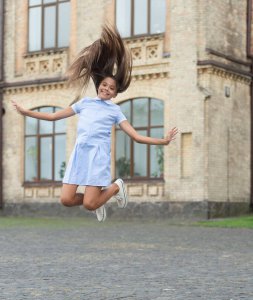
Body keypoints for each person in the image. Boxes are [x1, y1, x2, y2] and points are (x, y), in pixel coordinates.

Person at [12, 26, 178, 222]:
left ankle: (116, 187)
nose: (106, 89)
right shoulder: (84, 103)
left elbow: (136, 136)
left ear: (116, 93)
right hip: (79, 154)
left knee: (89, 204)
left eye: (111, 88)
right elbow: (54, 116)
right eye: (104, 85)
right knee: (66, 199)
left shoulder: (115, 110)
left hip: (97, 157)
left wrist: (163, 141)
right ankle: (99, 200)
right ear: (99, 84)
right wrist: (26, 112)